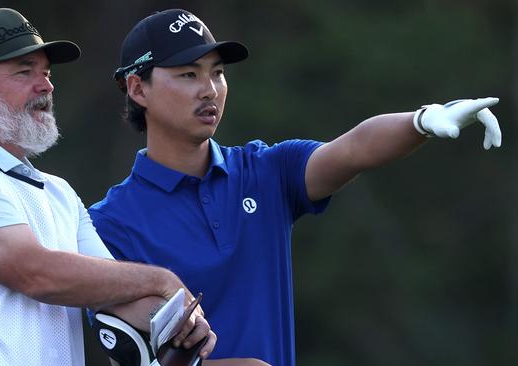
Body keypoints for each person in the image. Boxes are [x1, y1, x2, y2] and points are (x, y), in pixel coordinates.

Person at [88, 8, 503, 366]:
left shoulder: (266, 170)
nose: (209, 89)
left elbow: (353, 149)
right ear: (138, 88)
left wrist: (421, 121)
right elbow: (129, 355)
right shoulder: (106, 225)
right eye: (187, 74)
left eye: (217, 73)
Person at [0, 8, 217, 366]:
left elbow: (114, 294)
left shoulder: (58, 193)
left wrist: (178, 320)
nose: (46, 86)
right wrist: (162, 280)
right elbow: (34, 273)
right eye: (25, 71)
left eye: (46, 73)